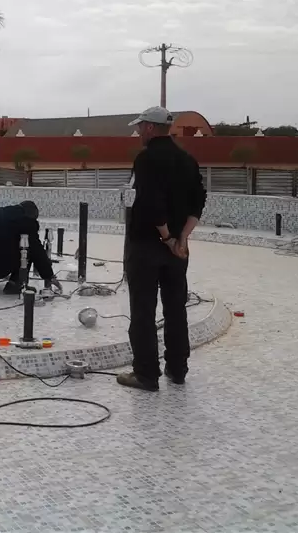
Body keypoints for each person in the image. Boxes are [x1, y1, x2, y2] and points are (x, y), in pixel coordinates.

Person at [117, 106, 207, 392]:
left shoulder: (146, 159)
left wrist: (167, 237)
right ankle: (177, 369)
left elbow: (152, 203)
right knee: (175, 308)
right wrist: (182, 240)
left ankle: (146, 374)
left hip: (147, 246)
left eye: (140, 127)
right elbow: (199, 201)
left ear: (150, 128)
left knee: (143, 310)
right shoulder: (187, 160)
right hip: (177, 252)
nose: (138, 132)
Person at [0, 200, 62, 295]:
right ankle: (16, 284)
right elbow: (37, 251)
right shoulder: (27, 222)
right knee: (27, 250)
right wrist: (49, 275)